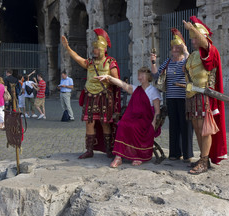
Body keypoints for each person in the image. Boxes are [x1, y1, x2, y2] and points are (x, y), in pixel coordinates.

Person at [61, 28, 121, 159]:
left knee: (105, 122)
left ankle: (108, 149)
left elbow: (117, 81)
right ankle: (89, 150)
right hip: (90, 95)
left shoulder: (111, 62)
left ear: (103, 49)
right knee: (89, 122)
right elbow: (77, 58)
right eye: (94, 48)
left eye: (96, 49)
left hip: (104, 96)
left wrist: (108, 79)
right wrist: (67, 48)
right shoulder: (90, 63)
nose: (94, 51)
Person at [182, 16, 227, 174]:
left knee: (205, 128)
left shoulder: (209, 50)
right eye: (192, 38)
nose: (193, 40)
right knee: (196, 127)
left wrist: (192, 28)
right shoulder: (194, 54)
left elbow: (204, 42)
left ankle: (204, 161)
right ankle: (204, 158)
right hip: (192, 95)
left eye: (195, 38)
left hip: (204, 95)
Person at [95, 67, 162, 167]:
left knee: (135, 127)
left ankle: (138, 156)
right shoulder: (136, 89)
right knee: (122, 124)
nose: (140, 77)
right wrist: (109, 77)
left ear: (148, 77)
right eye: (139, 75)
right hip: (134, 117)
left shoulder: (153, 91)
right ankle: (118, 157)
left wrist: (154, 122)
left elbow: (157, 111)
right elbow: (122, 84)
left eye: (142, 74)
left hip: (146, 119)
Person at [150, 28, 193, 162]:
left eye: (177, 48)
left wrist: (185, 51)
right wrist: (153, 62)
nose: (174, 50)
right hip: (171, 98)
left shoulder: (186, 60)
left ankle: (187, 154)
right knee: (174, 125)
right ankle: (174, 153)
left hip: (184, 98)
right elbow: (155, 75)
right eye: (173, 48)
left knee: (185, 125)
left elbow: (192, 68)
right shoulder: (168, 62)